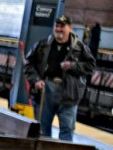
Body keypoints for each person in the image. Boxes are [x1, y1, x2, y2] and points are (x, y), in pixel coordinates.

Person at [23, 14, 95, 142]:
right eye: (57, 26)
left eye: (62, 26)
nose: (59, 29)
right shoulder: (43, 45)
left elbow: (91, 66)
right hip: (46, 91)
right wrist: (35, 81)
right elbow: (28, 63)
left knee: (67, 131)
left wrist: (73, 66)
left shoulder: (79, 47)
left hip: (69, 93)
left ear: (70, 28)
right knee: (42, 130)